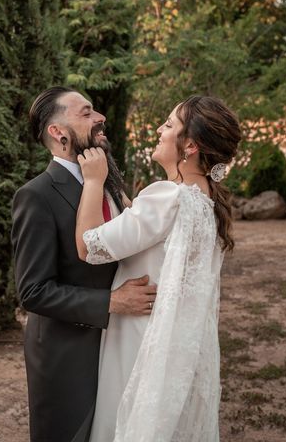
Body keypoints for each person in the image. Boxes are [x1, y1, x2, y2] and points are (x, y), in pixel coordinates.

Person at [76, 95, 242, 442]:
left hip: (139, 342)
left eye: (168, 125)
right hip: (177, 347)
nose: (159, 129)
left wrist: (93, 181)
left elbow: (89, 246)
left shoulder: (168, 196)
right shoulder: (206, 201)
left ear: (191, 145)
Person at [11, 87, 157, 442]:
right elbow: (33, 291)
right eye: (86, 113)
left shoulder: (108, 183)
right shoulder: (37, 195)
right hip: (68, 356)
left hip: (120, 345)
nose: (100, 118)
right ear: (58, 133)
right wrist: (111, 302)